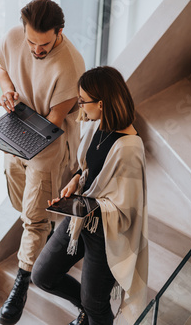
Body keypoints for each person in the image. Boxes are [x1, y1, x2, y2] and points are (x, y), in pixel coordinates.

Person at [31, 66, 149, 325]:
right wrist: (76, 181)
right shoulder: (98, 126)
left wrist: (85, 205)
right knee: (42, 275)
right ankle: (84, 310)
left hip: (106, 233)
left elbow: (127, 208)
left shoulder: (130, 148)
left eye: (83, 102)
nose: (81, 107)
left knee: (96, 303)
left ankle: (90, 313)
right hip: (81, 219)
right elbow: (89, 169)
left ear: (102, 103)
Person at [0, 0, 85, 325]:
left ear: (59, 33)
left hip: (48, 141)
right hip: (16, 131)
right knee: (19, 197)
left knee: (33, 217)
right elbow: (4, 67)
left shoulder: (71, 66)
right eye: (30, 41)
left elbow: (54, 120)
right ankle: (41, 231)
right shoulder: (14, 38)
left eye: (43, 44)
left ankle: (21, 284)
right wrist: (8, 93)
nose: (35, 49)